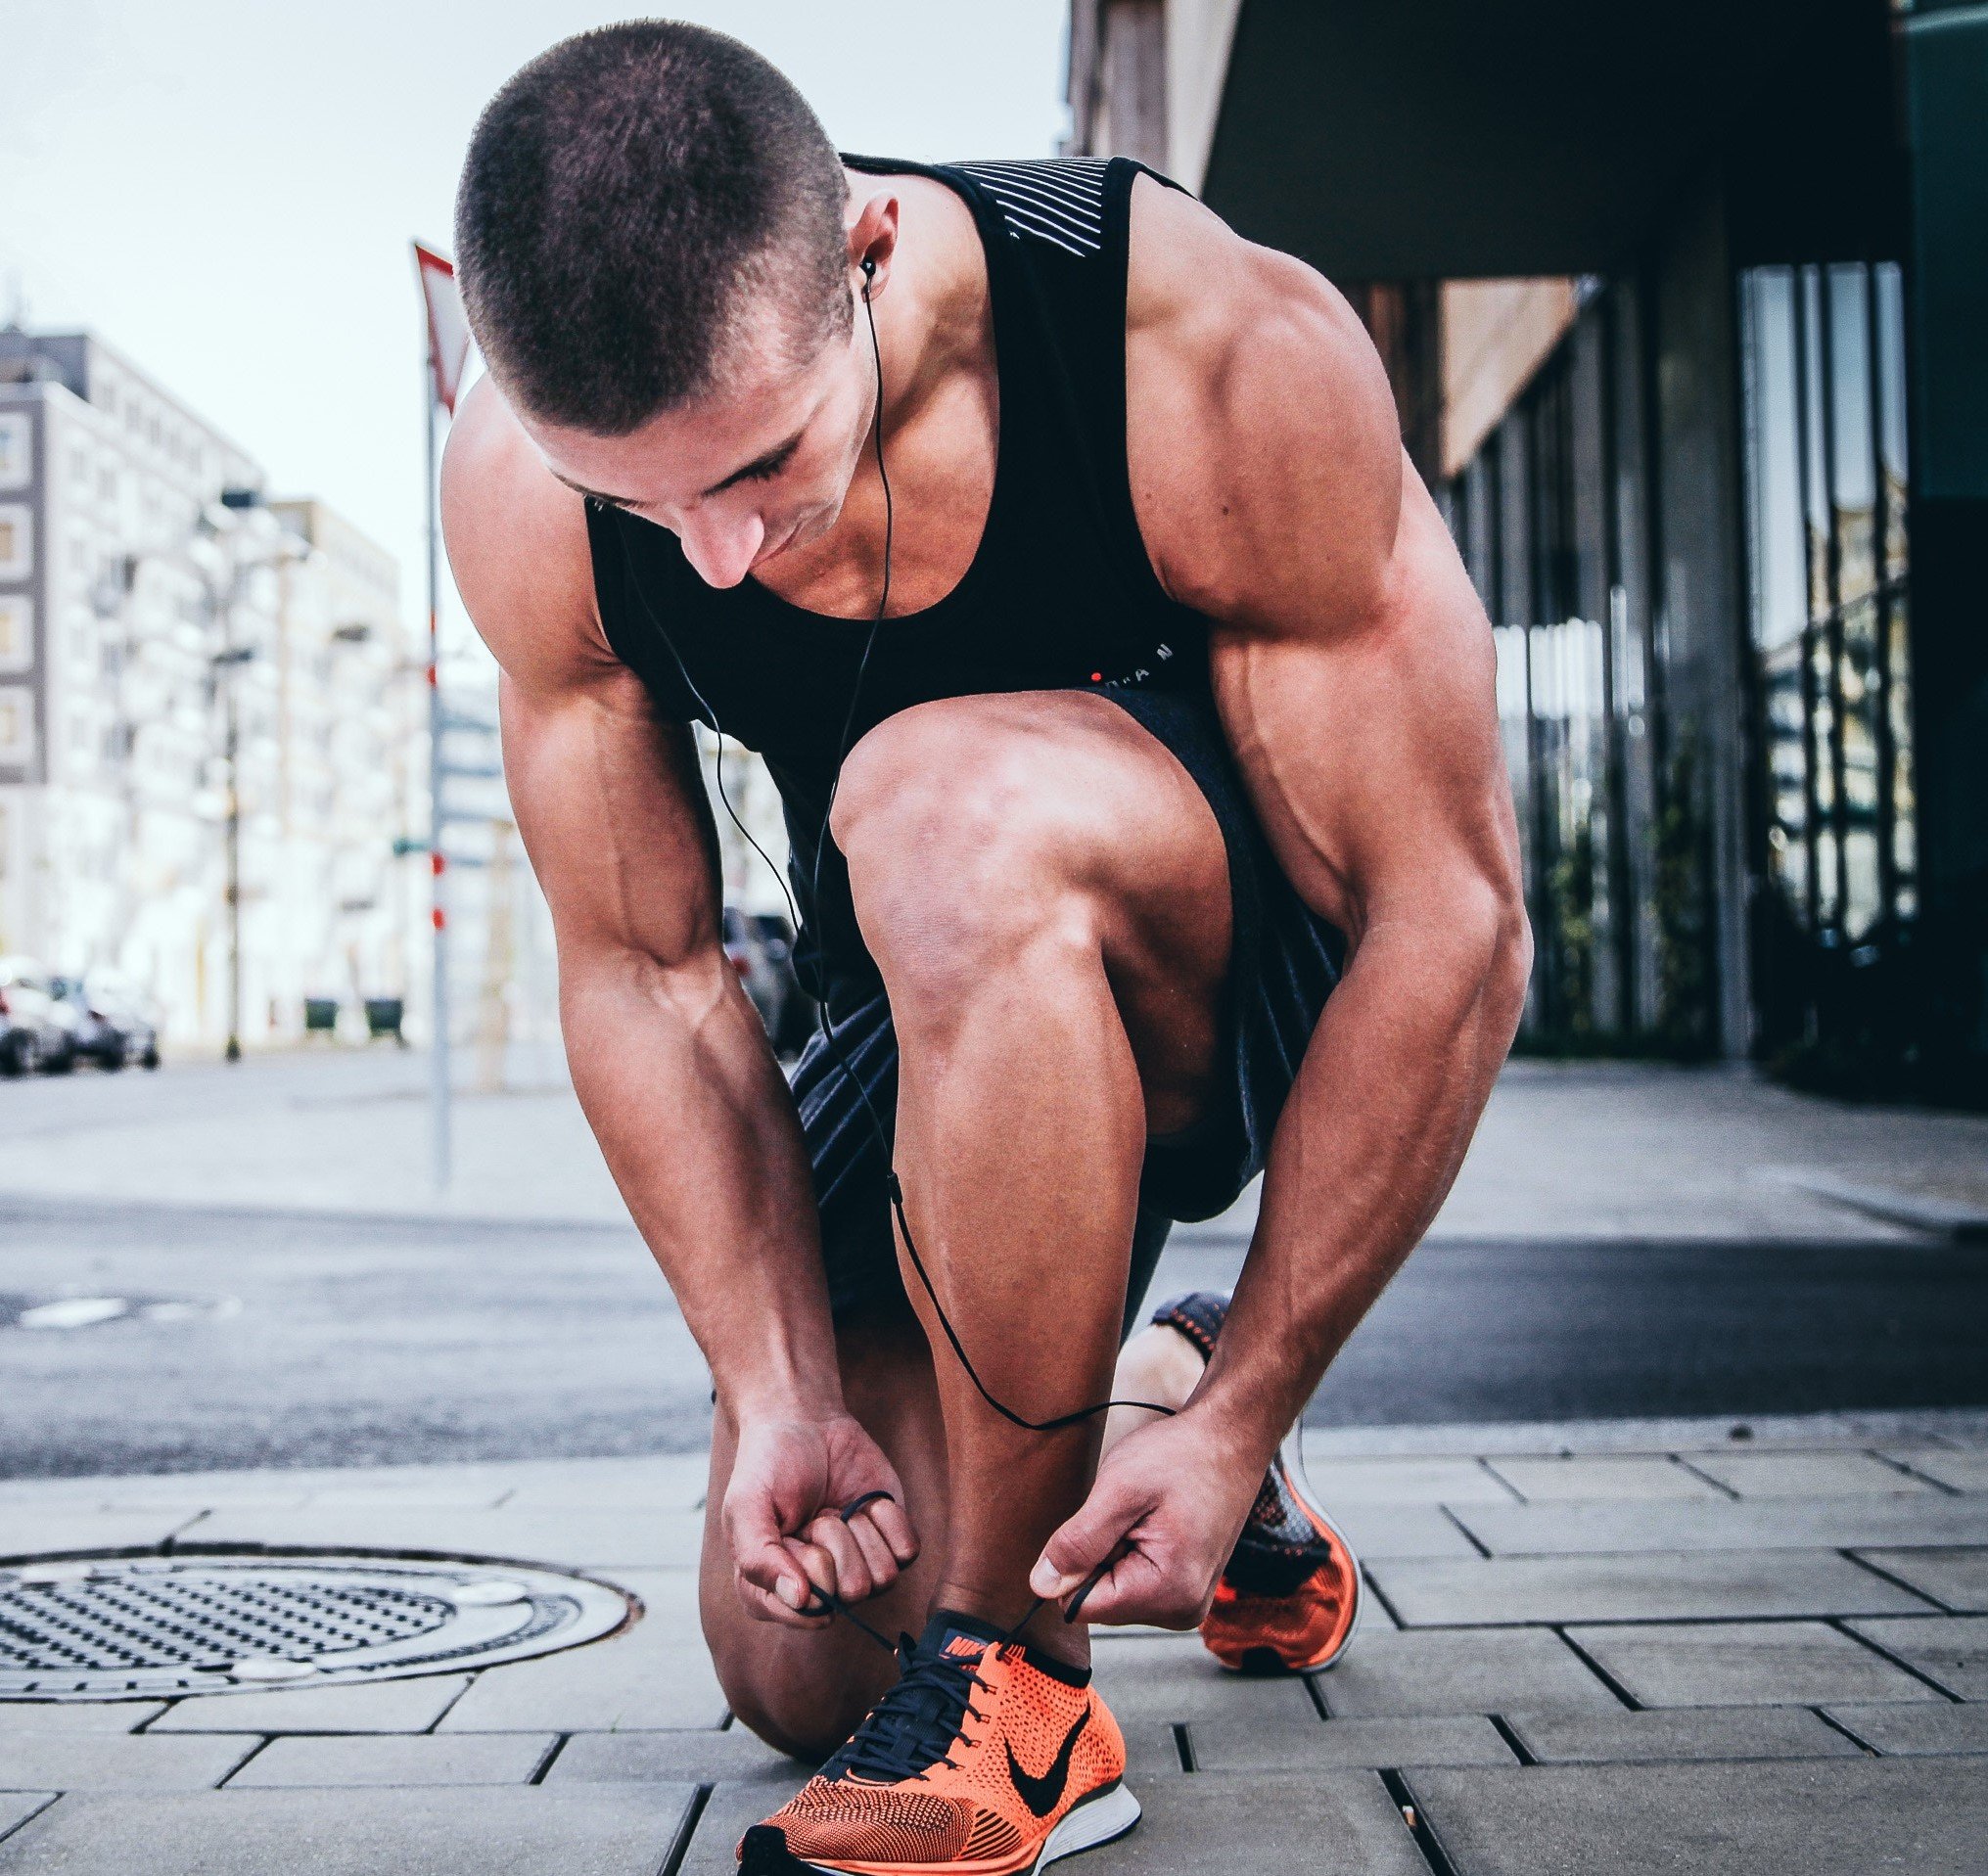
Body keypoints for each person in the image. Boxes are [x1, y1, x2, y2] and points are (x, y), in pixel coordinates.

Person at [442, 21, 1529, 1874]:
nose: (711, 556)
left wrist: (1282, 1369)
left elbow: (1453, 916)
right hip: (921, 982)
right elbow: (647, 972)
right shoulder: (528, 481)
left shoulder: (1186, 341)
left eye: (764, 462)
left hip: (1220, 960)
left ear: (867, 252)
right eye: (648, 504)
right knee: (795, 1650)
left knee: (935, 801)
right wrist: (774, 1382)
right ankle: (1154, 1405)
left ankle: (1026, 1692)